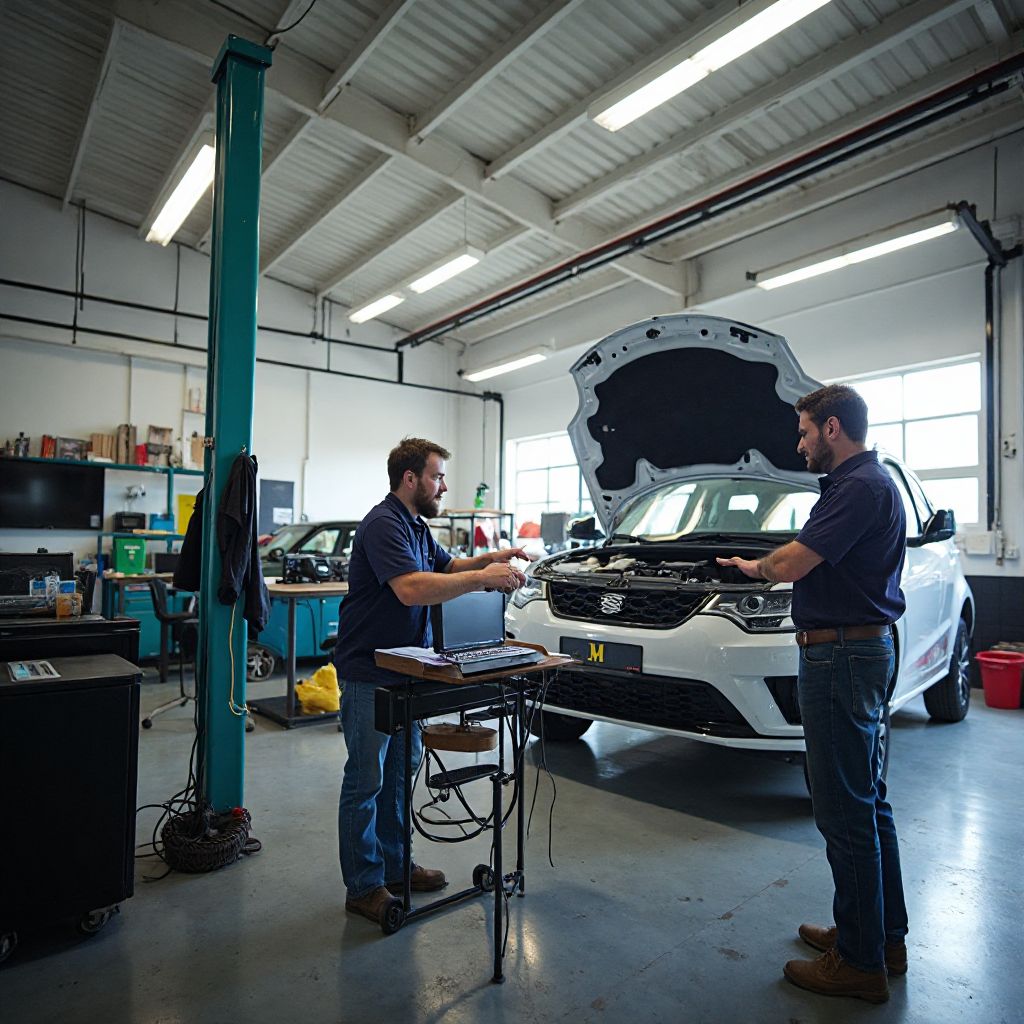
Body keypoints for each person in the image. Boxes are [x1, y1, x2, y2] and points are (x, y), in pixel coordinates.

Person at [717, 384, 908, 1005]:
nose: (797, 444)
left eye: (803, 432)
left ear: (832, 428)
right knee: (868, 802)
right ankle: (881, 938)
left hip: (840, 655)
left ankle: (858, 962)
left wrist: (758, 568)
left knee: (842, 807)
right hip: (856, 649)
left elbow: (796, 562)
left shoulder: (858, 487)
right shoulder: (864, 485)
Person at [334, 437, 529, 926]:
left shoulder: (416, 526)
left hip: (407, 669)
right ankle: (364, 885)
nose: (443, 486)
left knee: (402, 772)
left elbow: (448, 567)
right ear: (410, 478)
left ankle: (398, 866)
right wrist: (485, 580)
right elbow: (412, 588)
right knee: (367, 780)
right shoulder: (383, 524)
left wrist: (493, 560)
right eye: (437, 476)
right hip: (369, 672)